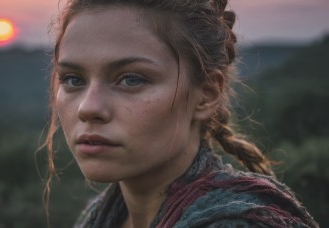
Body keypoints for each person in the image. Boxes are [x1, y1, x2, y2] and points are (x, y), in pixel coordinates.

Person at [44, 0, 319, 227]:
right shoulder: (98, 218)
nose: (88, 108)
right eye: (73, 80)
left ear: (207, 94)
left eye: (131, 79)